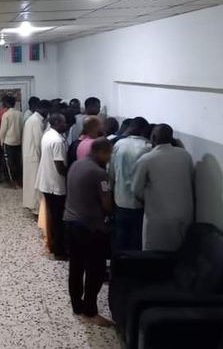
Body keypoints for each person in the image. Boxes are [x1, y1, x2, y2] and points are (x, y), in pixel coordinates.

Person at [64, 138, 114, 327]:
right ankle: (90, 312)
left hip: (70, 222)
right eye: (108, 154)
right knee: (96, 270)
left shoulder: (76, 165)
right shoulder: (100, 174)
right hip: (90, 228)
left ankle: (77, 306)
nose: (109, 158)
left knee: (76, 267)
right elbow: (107, 204)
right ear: (101, 152)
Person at [132, 124, 194, 251]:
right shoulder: (185, 156)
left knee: (155, 253)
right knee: (179, 252)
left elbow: (136, 190)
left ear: (153, 137)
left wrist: (149, 198)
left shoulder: (147, 159)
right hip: (184, 214)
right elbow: (190, 179)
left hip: (157, 217)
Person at [109, 116, 152, 252]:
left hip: (120, 198)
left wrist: (111, 191)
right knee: (137, 239)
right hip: (140, 202)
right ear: (144, 130)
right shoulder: (148, 147)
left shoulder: (119, 144)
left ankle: (118, 263)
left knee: (120, 237)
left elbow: (111, 172)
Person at [35, 114, 68, 259]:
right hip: (55, 184)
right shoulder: (57, 141)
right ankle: (59, 251)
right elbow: (59, 166)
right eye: (63, 123)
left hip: (46, 181)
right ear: (56, 122)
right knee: (58, 219)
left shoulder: (47, 135)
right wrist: (71, 173)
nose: (65, 125)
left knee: (52, 216)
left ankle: (52, 245)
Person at [22, 99, 51, 213]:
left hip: (30, 155)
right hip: (34, 156)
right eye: (48, 111)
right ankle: (36, 209)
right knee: (35, 184)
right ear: (43, 109)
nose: (48, 113)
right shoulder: (36, 121)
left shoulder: (34, 119)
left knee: (31, 182)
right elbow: (39, 142)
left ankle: (32, 205)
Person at [0, 95, 23, 188]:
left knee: (9, 163)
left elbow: (3, 131)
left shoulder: (6, 115)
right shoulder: (20, 114)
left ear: (7, 103)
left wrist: (1, 142)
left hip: (8, 142)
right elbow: (22, 128)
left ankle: (12, 182)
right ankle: (19, 181)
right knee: (18, 162)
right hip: (18, 142)